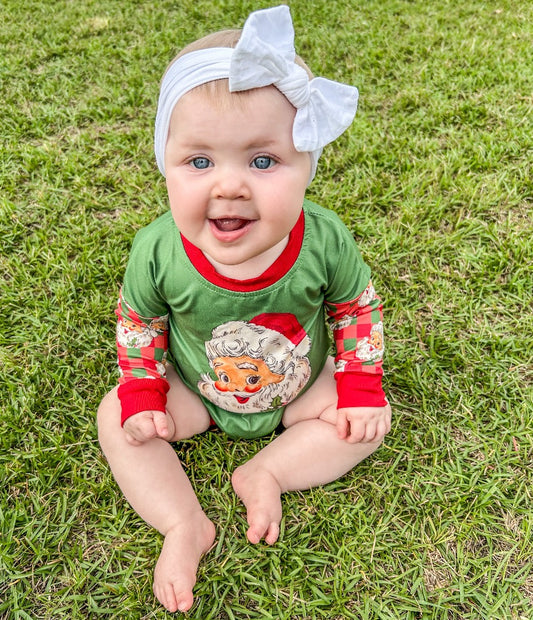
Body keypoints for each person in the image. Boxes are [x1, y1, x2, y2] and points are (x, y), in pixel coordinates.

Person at [97, 5, 391, 614]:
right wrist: (145, 393)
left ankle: (269, 472)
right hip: (199, 390)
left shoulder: (324, 239)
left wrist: (359, 386)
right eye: (199, 162)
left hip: (299, 385)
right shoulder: (157, 250)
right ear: (166, 164)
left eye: (263, 161)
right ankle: (184, 524)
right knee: (115, 419)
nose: (229, 186)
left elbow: (354, 310)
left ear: (307, 165)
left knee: (370, 419)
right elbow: (139, 326)